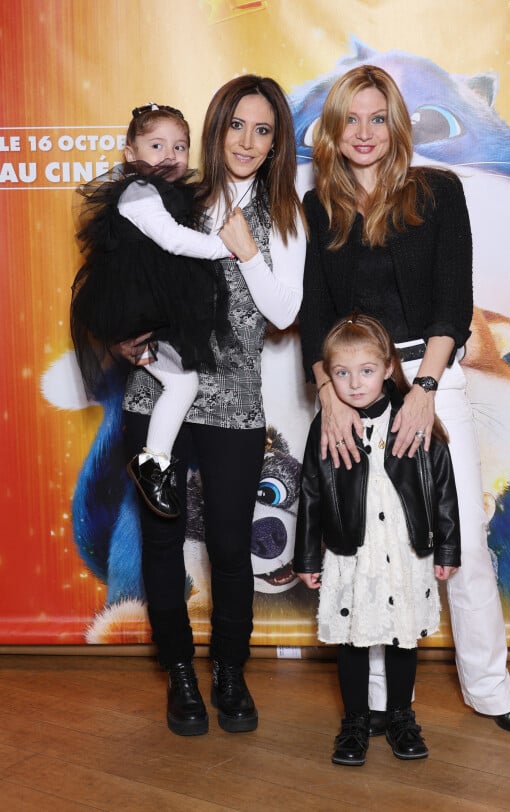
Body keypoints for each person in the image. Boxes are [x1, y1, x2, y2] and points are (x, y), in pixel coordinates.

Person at [298, 65, 510, 737]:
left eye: (379, 117)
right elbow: (315, 313)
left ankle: (491, 691)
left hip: (433, 377)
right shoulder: (320, 205)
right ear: (333, 129)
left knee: (458, 541)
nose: (365, 132)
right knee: (369, 546)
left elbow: (450, 304)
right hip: (352, 388)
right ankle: (376, 700)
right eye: (352, 118)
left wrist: (426, 390)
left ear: (398, 124)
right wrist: (331, 397)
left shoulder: (438, 191)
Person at [120, 76, 306, 736]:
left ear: (276, 141)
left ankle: (230, 672)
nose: (248, 141)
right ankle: (179, 676)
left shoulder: (284, 215)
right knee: (162, 543)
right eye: (237, 125)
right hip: (160, 392)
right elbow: (124, 269)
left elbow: (285, 312)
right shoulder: (174, 196)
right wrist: (117, 331)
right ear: (216, 126)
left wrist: (248, 249)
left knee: (231, 546)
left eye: (263, 130)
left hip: (235, 405)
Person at [294, 314, 461, 766]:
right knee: (351, 640)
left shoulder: (413, 418)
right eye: (341, 373)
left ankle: (402, 716)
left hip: (405, 552)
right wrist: (307, 558)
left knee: (403, 638)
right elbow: (310, 493)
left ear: (388, 367)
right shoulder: (326, 427)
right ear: (328, 375)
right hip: (352, 552)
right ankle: (355, 721)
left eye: (366, 371)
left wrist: (446, 548)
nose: (353, 383)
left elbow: (442, 487)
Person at [71, 103, 233, 519]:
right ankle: (153, 461)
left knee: (183, 384)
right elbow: (173, 241)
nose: (170, 155)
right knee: (182, 386)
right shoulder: (139, 192)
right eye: (156, 145)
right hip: (138, 306)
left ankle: (154, 460)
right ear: (130, 153)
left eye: (180, 146)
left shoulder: (165, 194)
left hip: (155, 305)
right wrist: (225, 247)